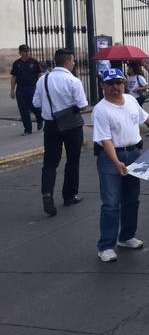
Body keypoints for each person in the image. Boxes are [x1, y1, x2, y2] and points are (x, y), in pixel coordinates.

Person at [93, 69, 149, 262]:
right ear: (103, 86)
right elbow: (105, 140)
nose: (115, 87)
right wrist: (116, 162)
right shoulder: (101, 109)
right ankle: (105, 246)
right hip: (111, 158)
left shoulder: (130, 100)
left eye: (118, 82)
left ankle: (126, 237)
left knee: (132, 200)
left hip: (133, 154)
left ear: (123, 83)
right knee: (111, 204)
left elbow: (145, 118)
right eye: (110, 83)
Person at [32, 49, 88, 216]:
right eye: (73, 61)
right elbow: (83, 105)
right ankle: (69, 195)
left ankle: (47, 193)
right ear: (68, 61)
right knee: (72, 160)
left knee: (49, 162)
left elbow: (35, 102)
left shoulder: (43, 79)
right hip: (71, 126)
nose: (74, 63)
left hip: (51, 125)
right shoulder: (73, 81)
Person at [11, 44, 43, 136]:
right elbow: (14, 77)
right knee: (23, 109)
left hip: (32, 88)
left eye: (28, 51)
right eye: (24, 51)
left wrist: (41, 87)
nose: (26, 53)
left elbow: (40, 74)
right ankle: (28, 129)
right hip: (20, 89)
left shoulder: (34, 62)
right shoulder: (17, 63)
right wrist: (12, 90)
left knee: (33, 105)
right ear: (20, 53)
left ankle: (40, 117)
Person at [126, 61, 149, 137]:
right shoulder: (129, 77)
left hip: (138, 98)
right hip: (131, 98)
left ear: (133, 68)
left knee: (135, 114)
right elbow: (128, 88)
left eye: (129, 68)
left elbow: (146, 87)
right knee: (140, 114)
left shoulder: (139, 77)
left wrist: (138, 89)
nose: (128, 69)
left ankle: (133, 131)